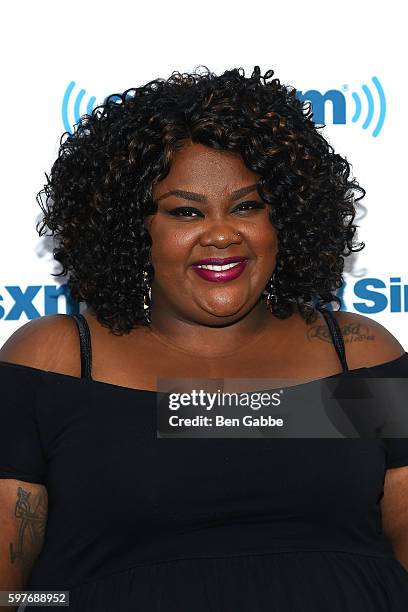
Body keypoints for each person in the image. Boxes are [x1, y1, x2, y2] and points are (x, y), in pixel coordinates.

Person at [0, 65, 407, 611]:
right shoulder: (57, 361)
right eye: (186, 211)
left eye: (246, 206)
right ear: (132, 229)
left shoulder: (358, 352)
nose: (221, 233)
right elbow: (13, 591)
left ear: (284, 218)